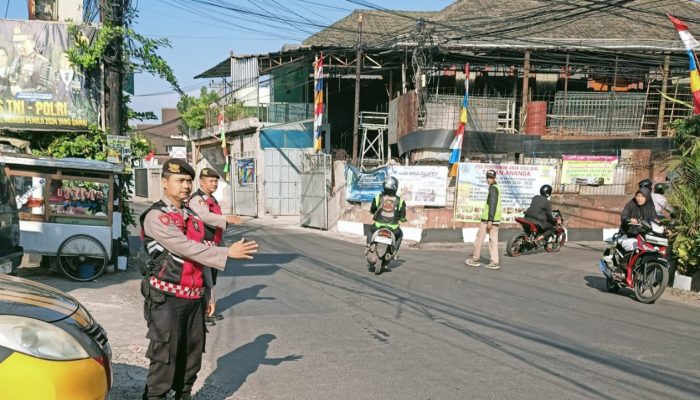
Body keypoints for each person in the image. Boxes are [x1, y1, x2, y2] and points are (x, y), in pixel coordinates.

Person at [140, 159, 258, 400]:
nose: (185, 186)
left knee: (191, 359)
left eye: (188, 181)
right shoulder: (157, 217)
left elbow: (201, 257)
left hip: (193, 300)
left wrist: (209, 293)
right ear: (164, 183)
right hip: (167, 300)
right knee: (165, 360)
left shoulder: (193, 217)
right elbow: (185, 248)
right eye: (179, 180)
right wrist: (226, 252)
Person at [188, 167, 242, 326]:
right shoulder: (197, 199)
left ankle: (207, 311)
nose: (214, 184)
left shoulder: (211, 199)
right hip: (203, 245)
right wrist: (226, 219)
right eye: (210, 181)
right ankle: (202, 314)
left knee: (211, 279)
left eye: (215, 181)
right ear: (202, 182)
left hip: (214, 244)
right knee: (205, 281)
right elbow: (205, 216)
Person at [465, 169, 502, 269]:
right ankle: (495, 261)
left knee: (479, 239)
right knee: (493, 240)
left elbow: (492, 205)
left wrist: (490, 220)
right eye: (488, 177)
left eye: (491, 177)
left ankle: (475, 259)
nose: (489, 179)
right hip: (496, 219)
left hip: (488, 220)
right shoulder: (497, 188)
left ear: (494, 178)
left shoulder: (493, 189)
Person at [367, 176, 406, 267]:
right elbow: (403, 216)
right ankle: (394, 251)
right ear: (395, 187)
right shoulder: (400, 201)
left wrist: (373, 212)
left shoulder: (377, 198)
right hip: (393, 228)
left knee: (369, 230)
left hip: (378, 226)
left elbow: (372, 210)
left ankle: (369, 245)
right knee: (400, 235)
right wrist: (402, 219)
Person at [618, 187, 658, 253]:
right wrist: (630, 220)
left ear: (647, 197)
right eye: (637, 196)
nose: (639, 199)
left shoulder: (650, 207)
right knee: (631, 247)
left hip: (645, 234)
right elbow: (624, 215)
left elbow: (654, 218)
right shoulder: (631, 204)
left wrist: (661, 225)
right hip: (630, 233)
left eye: (642, 196)